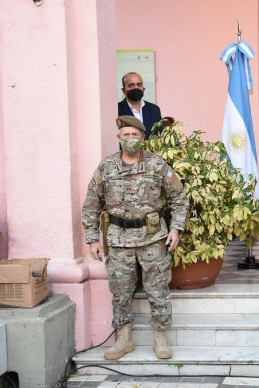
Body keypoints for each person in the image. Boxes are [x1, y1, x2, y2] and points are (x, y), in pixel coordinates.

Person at [82, 115, 189, 360]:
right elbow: (91, 204)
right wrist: (92, 238)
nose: (130, 139)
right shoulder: (106, 167)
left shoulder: (157, 165)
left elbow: (179, 198)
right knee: (120, 291)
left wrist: (176, 229)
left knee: (158, 288)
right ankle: (124, 339)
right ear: (118, 138)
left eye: (135, 135)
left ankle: (160, 337)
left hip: (152, 238)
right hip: (118, 240)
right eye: (126, 135)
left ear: (143, 138)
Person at [118, 72, 162, 139]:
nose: (136, 88)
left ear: (143, 88)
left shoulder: (154, 109)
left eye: (139, 85)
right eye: (131, 85)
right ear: (123, 90)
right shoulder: (117, 109)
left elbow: (160, 134)